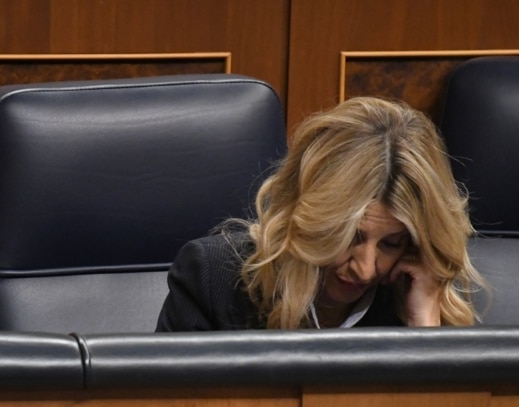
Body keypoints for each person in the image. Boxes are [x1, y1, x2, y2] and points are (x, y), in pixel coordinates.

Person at [156, 96, 483, 332]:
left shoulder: (414, 292)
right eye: (352, 236)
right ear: (312, 217)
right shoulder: (212, 278)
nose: (365, 270)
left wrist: (423, 324)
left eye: (391, 244)